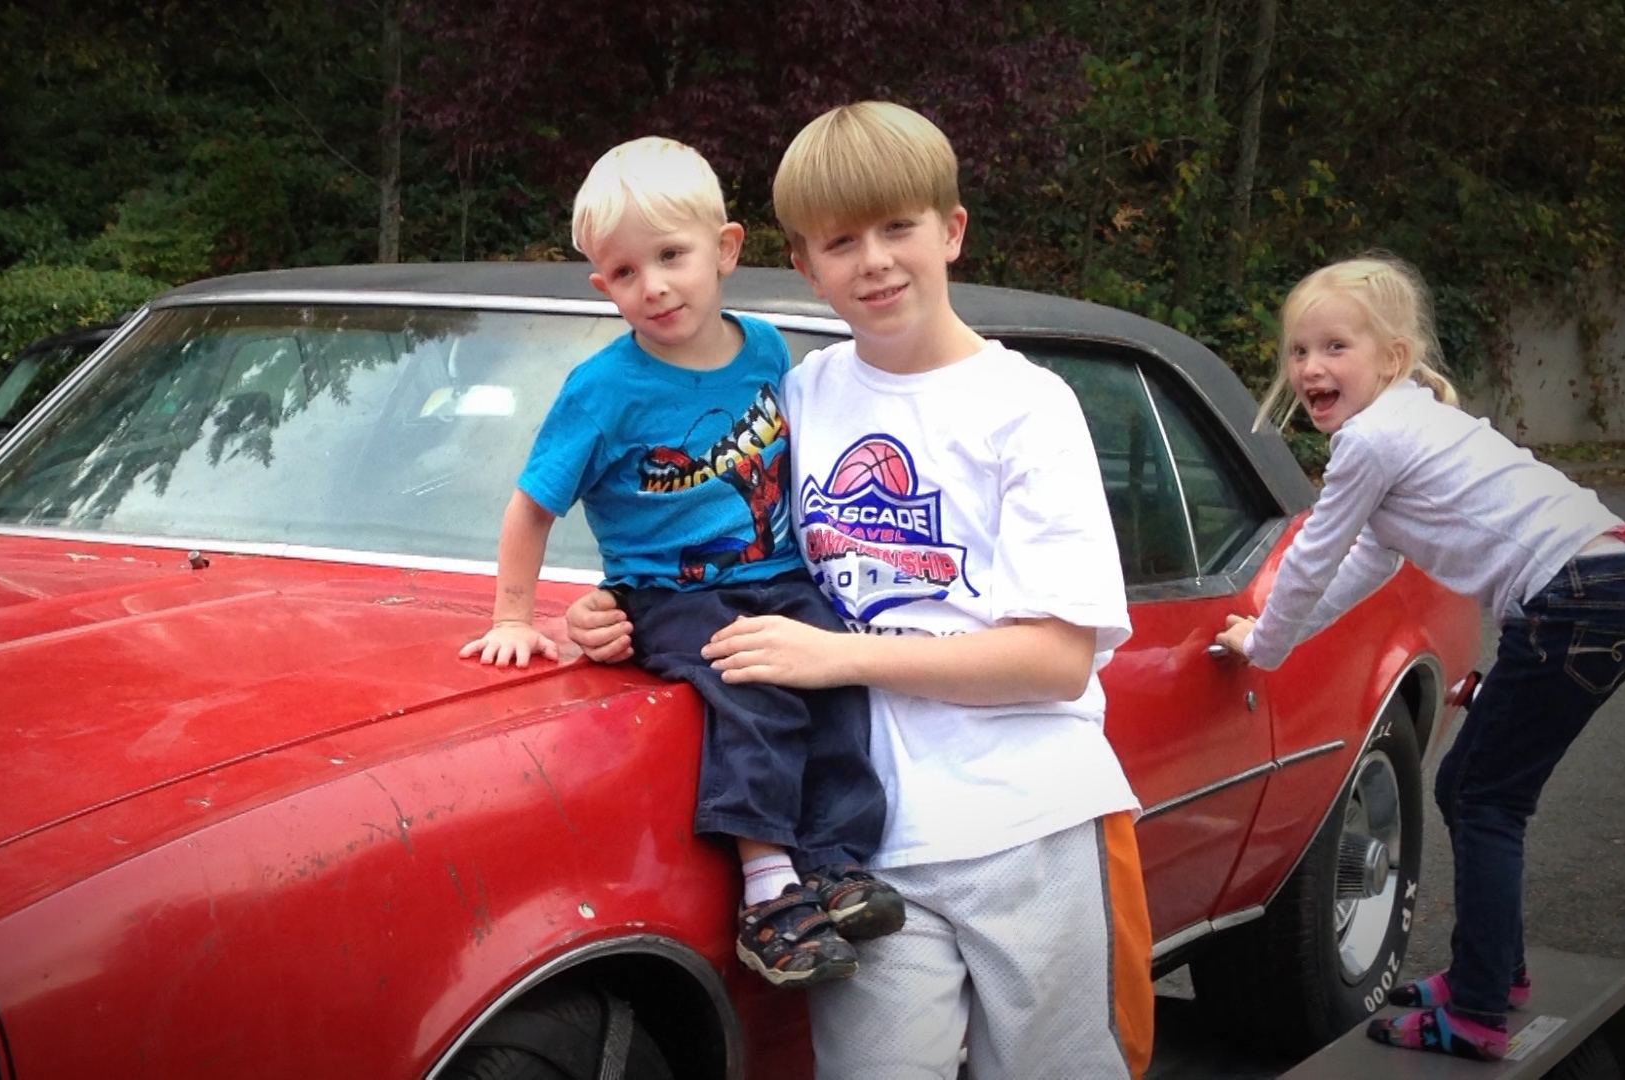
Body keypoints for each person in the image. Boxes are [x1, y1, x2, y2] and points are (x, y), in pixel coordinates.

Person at [569, 103, 1154, 1080]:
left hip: (1034, 827)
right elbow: (706, 540)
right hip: (861, 852)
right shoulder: (798, 397)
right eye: (842, 241)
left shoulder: (1031, 409)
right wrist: (617, 606)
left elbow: (1056, 660)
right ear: (803, 263)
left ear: (951, 231)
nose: (874, 261)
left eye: (899, 229)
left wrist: (839, 655)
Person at [459, 136, 902, 989]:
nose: (653, 285)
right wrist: (515, 615)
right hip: (670, 593)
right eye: (626, 273)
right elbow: (531, 506)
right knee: (755, 686)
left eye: (671, 256)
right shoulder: (603, 389)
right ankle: (768, 893)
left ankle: (836, 864)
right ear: (603, 286)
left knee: (840, 676)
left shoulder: (769, 350)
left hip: (776, 576)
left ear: (725, 250)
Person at [1214, 253, 1625, 1061]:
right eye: (1298, 351)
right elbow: (1367, 565)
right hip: (1601, 590)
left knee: (1487, 799)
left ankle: (1483, 1010)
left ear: (1392, 358)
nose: (1311, 367)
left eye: (1335, 348)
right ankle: (1496, 971)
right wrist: (1277, 635)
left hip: (1576, 602)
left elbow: (1315, 555)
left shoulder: (1373, 440)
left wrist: (1265, 643)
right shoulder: (1410, 425)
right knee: (1471, 786)